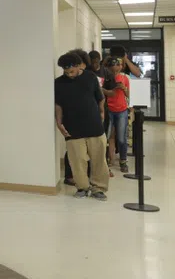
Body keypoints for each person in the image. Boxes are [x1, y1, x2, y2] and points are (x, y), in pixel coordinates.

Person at [55, 52, 109, 200]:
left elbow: (100, 98)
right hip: (72, 127)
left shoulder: (91, 77)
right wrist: (59, 123)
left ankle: (98, 188)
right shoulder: (59, 83)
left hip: (94, 126)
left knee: (98, 159)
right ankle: (82, 187)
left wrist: (102, 113)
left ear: (79, 66)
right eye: (66, 72)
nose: (69, 75)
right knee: (77, 160)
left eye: (71, 71)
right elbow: (58, 105)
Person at [103, 57, 130, 173]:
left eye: (117, 69)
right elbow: (101, 92)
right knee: (107, 137)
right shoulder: (106, 79)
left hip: (122, 111)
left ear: (120, 67)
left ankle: (123, 161)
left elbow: (129, 95)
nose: (115, 72)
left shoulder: (124, 78)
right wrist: (108, 89)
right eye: (112, 70)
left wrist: (123, 88)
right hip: (108, 110)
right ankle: (109, 160)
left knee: (121, 138)